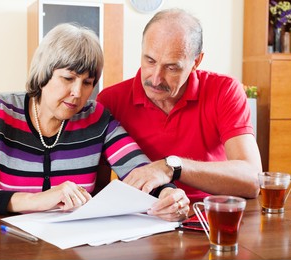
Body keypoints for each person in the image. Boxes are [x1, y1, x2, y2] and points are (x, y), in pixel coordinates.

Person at [0, 23, 189, 222]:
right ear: (44, 72)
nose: (78, 93)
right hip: (4, 245)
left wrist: (168, 195)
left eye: (88, 82)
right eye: (68, 78)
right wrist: (36, 200)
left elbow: (140, 172)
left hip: (72, 247)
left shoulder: (97, 118)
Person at [97, 8, 262, 202]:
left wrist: (172, 167)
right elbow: (97, 191)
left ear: (196, 62)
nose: (156, 79)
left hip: (208, 216)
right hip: (144, 217)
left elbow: (253, 180)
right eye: (149, 61)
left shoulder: (224, 90)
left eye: (172, 67)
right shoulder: (110, 101)